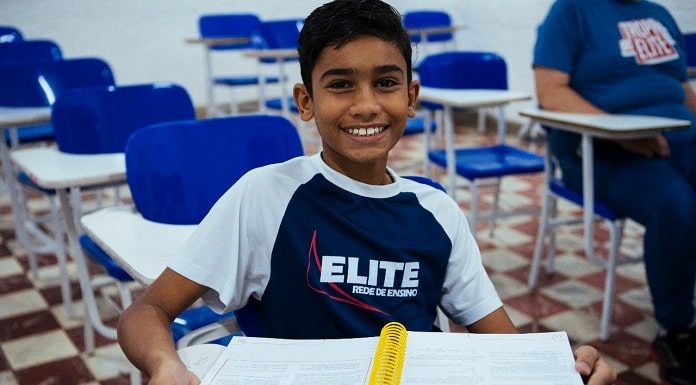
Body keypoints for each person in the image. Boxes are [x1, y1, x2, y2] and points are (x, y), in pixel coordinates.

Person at [118, 1, 616, 384]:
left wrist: (567, 367)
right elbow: (147, 311)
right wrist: (166, 365)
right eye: (340, 85)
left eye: (385, 83)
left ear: (411, 97)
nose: (366, 105)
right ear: (305, 101)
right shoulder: (266, 196)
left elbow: (505, 348)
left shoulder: (437, 212)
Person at [533, 0, 696, 383]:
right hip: (601, 150)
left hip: (681, 140)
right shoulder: (571, 11)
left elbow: (680, 87)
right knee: (676, 206)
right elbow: (551, 93)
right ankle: (677, 329)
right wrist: (624, 134)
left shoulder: (658, 13)